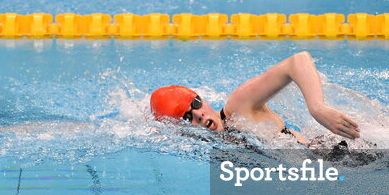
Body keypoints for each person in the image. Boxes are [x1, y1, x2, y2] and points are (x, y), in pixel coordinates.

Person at [150, 51, 359, 145]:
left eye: (195, 104)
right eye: (187, 117)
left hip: (341, 152)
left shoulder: (239, 106)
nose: (199, 115)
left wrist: (317, 108)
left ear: (202, 99)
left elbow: (297, 61)